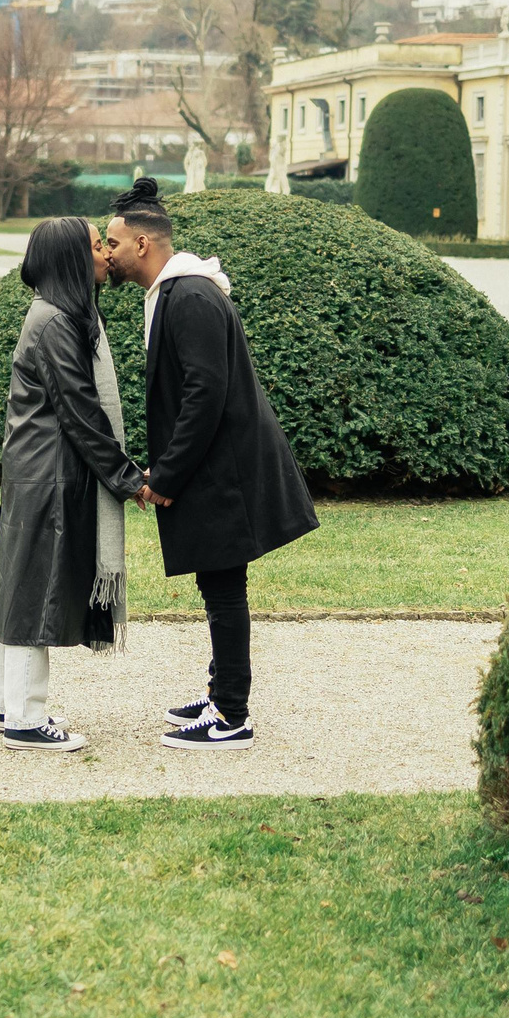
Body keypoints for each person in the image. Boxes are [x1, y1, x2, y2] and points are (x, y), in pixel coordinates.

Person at [104, 177, 318, 748]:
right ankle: (223, 689)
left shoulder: (190, 296)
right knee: (218, 581)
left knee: (224, 587)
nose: (109, 254)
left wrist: (168, 475)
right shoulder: (179, 293)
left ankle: (231, 715)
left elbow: (205, 392)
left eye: (114, 243)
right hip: (216, 467)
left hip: (223, 473)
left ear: (143, 245)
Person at [0, 217, 145, 751]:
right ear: (74, 260)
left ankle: (7, 702)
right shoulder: (57, 323)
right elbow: (81, 415)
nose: (106, 255)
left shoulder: (52, 315)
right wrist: (127, 479)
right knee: (39, 590)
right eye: (98, 247)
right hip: (50, 474)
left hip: (33, 470)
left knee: (21, 583)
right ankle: (26, 721)